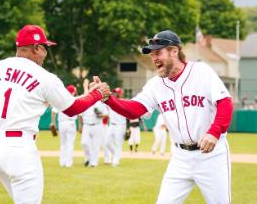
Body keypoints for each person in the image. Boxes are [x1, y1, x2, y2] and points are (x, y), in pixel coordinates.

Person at [0, 24, 110, 204]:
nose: (46, 53)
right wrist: (97, 94)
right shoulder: (43, 76)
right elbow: (72, 108)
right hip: (21, 148)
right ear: (36, 48)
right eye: (45, 48)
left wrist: (5, 123)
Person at [100, 30, 233, 203]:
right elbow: (135, 109)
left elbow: (225, 102)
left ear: (174, 51)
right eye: (152, 54)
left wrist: (214, 132)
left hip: (211, 156)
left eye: (158, 52)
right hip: (180, 157)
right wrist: (109, 100)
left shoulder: (201, 72)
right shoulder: (155, 85)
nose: (154, 58)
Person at [78, 80, 108, 167]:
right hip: (86, 125)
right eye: (91, 87)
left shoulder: (100, 102)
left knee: (96, 145)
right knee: (84, 143)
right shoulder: (85, 99)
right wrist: (80, 125)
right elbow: (80, 114)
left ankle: (94, 163)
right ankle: (88, 159)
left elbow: (106, 114)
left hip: (97, 125)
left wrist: (100, 115)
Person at [50, 84, 78, 167]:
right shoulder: (74, 99)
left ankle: (62, 162)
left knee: (63, 144)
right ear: (73, 92)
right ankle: (68, 163)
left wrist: (53, 123)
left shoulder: (60, 99)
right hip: (71, 123)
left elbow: (53, 112)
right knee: (70, 144)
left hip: (62, 123)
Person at [104, 87, 127, 166]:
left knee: (118, 143)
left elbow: (129, 116)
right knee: (106, 142)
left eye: (117, 92)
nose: (115, 93)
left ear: (120, 94)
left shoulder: (124, 102)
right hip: (112, 125)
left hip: (120, 125)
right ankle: (116, 154)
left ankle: (115, 161)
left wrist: (129, 128)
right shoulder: (111, 101)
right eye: (114, 92)